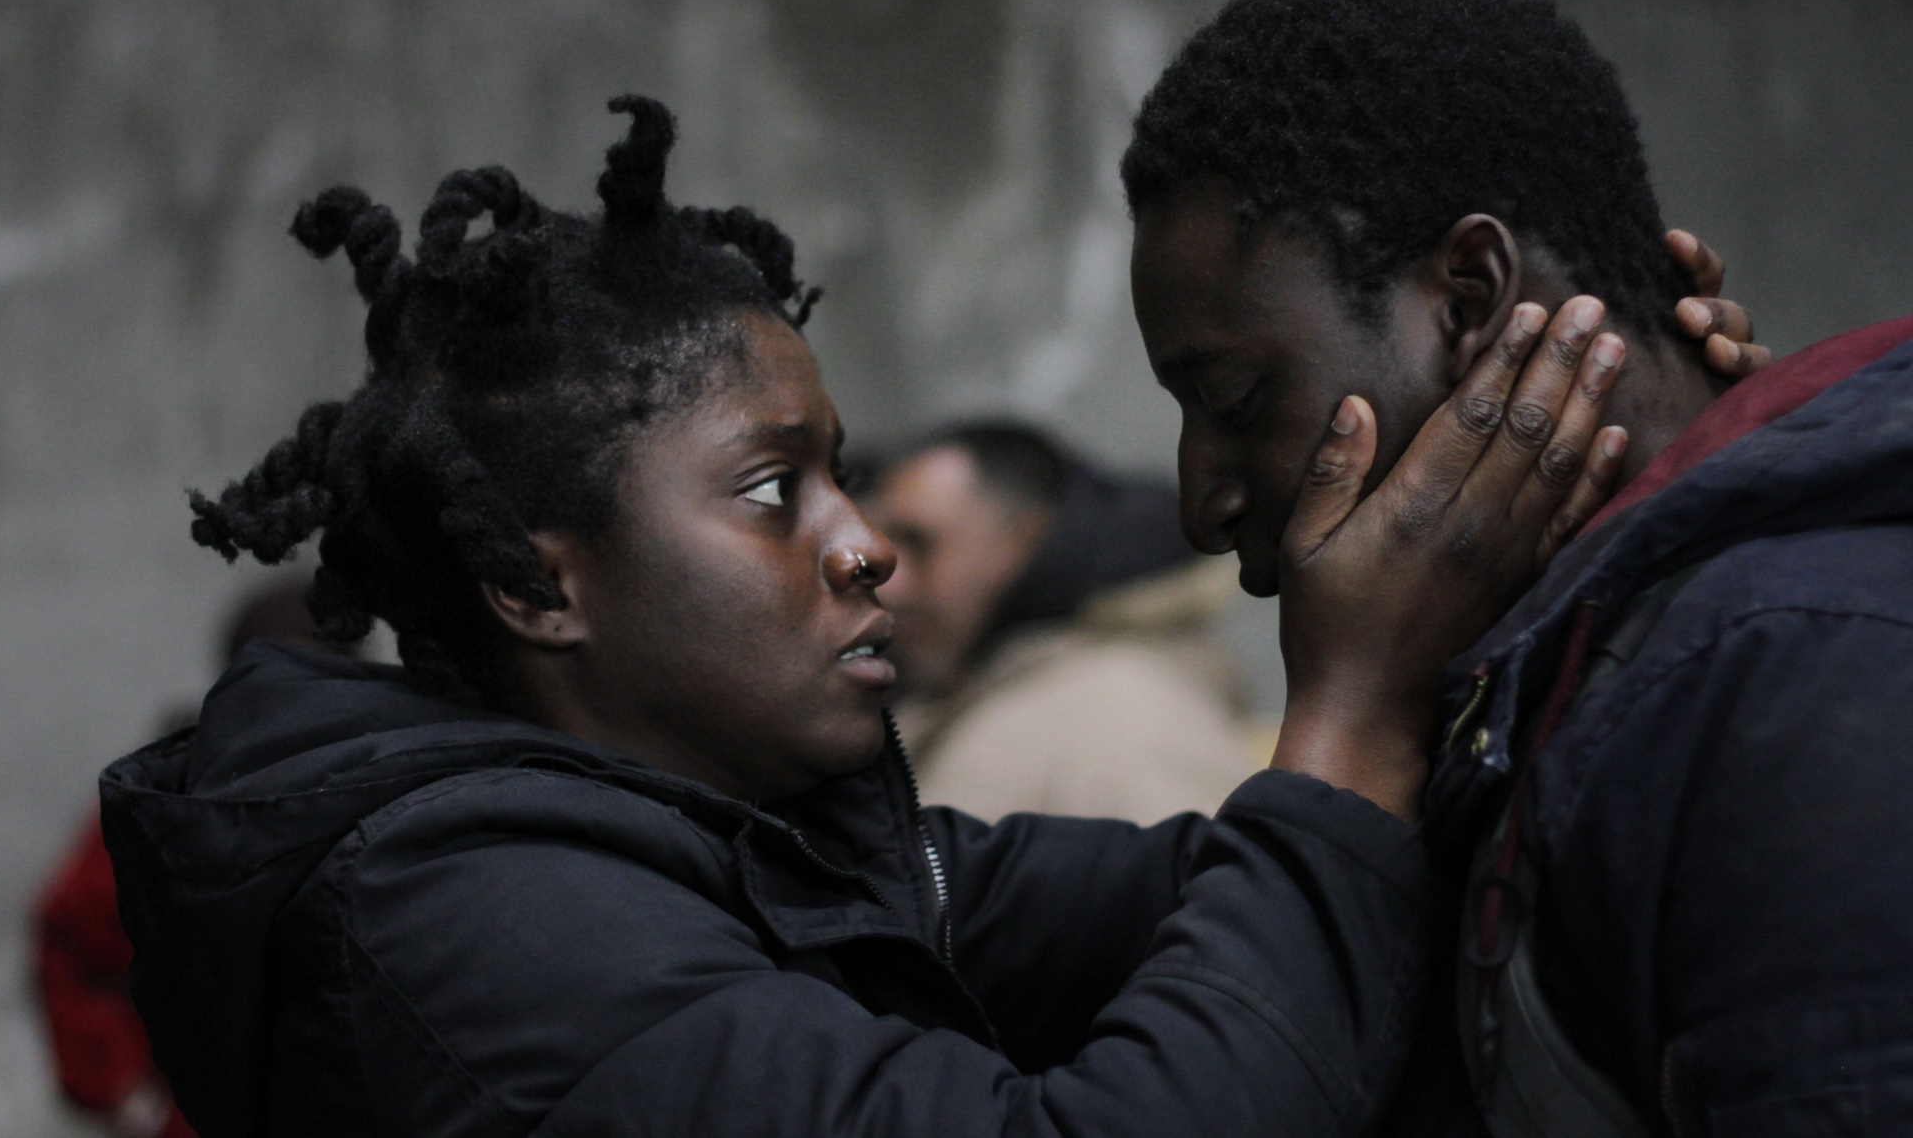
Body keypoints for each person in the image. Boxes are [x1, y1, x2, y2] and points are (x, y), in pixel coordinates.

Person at [101, 96, 1630, 1137]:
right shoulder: (488, 936)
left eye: (844, 475)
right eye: (776, 492)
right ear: (537, 584)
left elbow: (1216, 898)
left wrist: (1579, 526)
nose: (866, 545)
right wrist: (1347, 715)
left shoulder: (757, 833)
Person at [1122, 0, 1912, 1136]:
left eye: (1234, 399)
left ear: (1466, 297)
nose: (1201, 505)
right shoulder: (1560, 678)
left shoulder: (1793, 676)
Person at [34, 579, 346, 1138]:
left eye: (318, 677)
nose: (295, 704)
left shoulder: (394, 797)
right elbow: (72, 942)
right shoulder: (170, 801)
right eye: (275, 677)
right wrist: (122, 1084)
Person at [865, 420, 1274, 823]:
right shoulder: (1000, 693)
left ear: (1022, 537)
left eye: (919, 543)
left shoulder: (1120, 715)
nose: (889, 587)